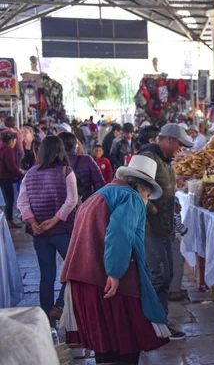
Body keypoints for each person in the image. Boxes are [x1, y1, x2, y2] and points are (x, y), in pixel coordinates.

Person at [60, 155, 171, 363]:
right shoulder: (132, 197)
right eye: (148, 194)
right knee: (127, 344)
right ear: (143, 188)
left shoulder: (99, 194)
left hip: (81, 278)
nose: (147, 200)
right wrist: (114, 272)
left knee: (105, 344)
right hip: (107, 280)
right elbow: (119, 233)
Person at [138, 124, 192, 339]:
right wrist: (153, 208)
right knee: (159, 276)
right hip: (151, 229)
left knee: (165, 275)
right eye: (179, 144)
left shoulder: (164, 159)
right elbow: (137, 189)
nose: (181, 149)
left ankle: (159, 323)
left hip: (164, 226)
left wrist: (173, 201)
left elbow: (162, 189)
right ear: (168, 139)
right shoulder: (149, 157)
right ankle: (149, 324)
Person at [16, 136, 78, 322]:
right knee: (73, 269)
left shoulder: (30, 174)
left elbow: (22, 202)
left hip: (39, 233)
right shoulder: (66, 172)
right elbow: (72, 201)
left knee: (46, 273)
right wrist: (54, 220)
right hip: (63, 230)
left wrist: (34, 223)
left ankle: (45, 316)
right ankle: (59, 305)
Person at [59, 132, 105, 202]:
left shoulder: (52, 162)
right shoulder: (87, 160)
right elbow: (100, 185)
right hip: (85, 204)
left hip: (61, 206)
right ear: (75, 145)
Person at [0, 133, 24, 228]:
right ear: (11, 141)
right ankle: (9, 221)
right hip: (7, 179)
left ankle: (5, 221)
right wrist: (21, 174)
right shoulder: (8, 150)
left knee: (3, 200)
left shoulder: (1, 147)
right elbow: (11, 166)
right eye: (14, 141)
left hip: (2, 177)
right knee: (9, 200)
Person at [169, 196, 188, 302]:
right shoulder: (172, 201)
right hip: (172, 236)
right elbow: (175, 219)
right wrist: (183, 229)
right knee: (177, 263)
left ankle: (171, 288)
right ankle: (175, 291)